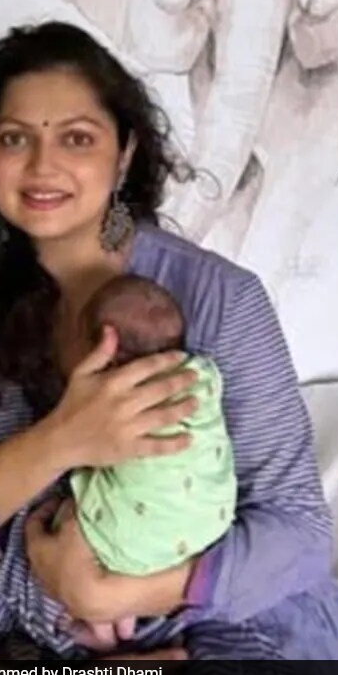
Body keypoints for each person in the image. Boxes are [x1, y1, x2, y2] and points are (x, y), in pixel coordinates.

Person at [0, 21, 338, 671]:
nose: (42, 165)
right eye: (14, 138)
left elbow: (299, 535)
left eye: (77, 138)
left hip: (225, 615)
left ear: (124, 154)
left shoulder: (218, 299)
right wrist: (64, 440)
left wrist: (118, 592)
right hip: (46, 639)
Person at [50, 273, 236, 651]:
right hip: (209, 520)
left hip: (137, 530)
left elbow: (85, 448)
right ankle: (130, 622)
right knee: (140, 525)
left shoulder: (113, 397)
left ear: (107, 346)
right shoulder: (205, 375)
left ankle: (105, 635)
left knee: (74, 517)